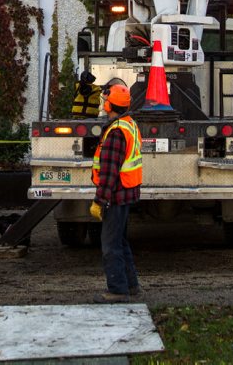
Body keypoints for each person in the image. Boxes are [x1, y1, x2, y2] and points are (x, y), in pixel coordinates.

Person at [90, 83, 142, 303]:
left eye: (105, 101)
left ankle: (118, 290)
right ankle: (131, 285)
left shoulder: (116, 132)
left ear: (110, 104)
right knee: (120, 241)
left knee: (110, 245)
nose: (103, 104)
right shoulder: (128, 124)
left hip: (115, 196)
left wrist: (99, 201)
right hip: (125, 194)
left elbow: (109, 172)